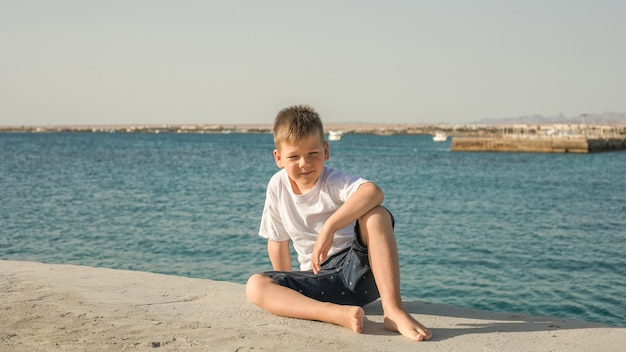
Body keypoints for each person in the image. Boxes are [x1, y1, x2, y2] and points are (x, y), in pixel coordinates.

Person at [246, 105, 432, 341]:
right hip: (319, 281)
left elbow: (373, 191)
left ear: (326, 150)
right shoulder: (277, 186)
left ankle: (393, 310)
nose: (305, 163)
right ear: (279, 158)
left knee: (376, 214)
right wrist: (287, 287)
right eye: (294, 156)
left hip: (358, 270)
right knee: (255, 285)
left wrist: (330, 227)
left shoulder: (333, 181)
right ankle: (335, 314)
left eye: (313, 153)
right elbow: (277, 242)